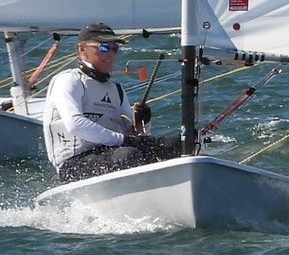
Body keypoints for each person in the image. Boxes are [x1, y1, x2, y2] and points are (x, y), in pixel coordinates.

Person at [42, 22, 185, 182]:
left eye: (114, 48)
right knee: (128, 155)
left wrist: (142, 121)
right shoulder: (68, 81)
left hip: (111, 153)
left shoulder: (116, 89)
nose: (110, 54)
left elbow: (134, 134)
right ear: (82, 49)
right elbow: (75, 124)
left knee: (180, 143)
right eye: (104, 48)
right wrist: (123, 140)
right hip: (73, 164)